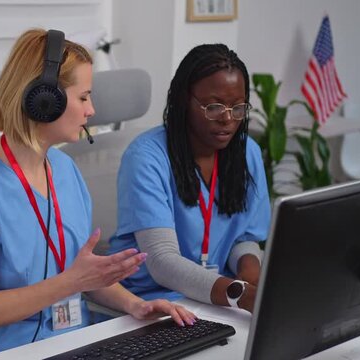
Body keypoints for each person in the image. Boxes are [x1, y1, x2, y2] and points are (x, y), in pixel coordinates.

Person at [0, 28, 196, 360]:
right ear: (44, 100)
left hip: (72, 347)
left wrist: (136, 305)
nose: (91, 110)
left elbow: (80, 273)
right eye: (83, 97)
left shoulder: (65, 170)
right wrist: (72, 282)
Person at [108, 44, 271, 314]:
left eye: (238, 108)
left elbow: (242, 238)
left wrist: (252, 279)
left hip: (216, 298)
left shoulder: (247, 152)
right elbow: (162, 261)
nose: (228, 120)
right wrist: (241, 295)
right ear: (185, 100)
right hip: (152, 304)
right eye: (215, 107)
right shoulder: (146, 157)